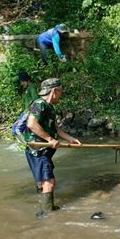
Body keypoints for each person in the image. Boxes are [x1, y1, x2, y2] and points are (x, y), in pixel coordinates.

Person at [24, 78, 81, 218]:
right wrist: (49, 139)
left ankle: (42, 208)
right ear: (54, 91)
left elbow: (55, 128)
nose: (60, 95)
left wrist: (71, 139)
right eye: (60, 92)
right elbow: (31, 124)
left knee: (42, 181)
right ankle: (47, 213)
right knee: (49, 181)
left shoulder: (48, 107)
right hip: (38, 150)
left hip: (41, 151)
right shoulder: (39, 104)